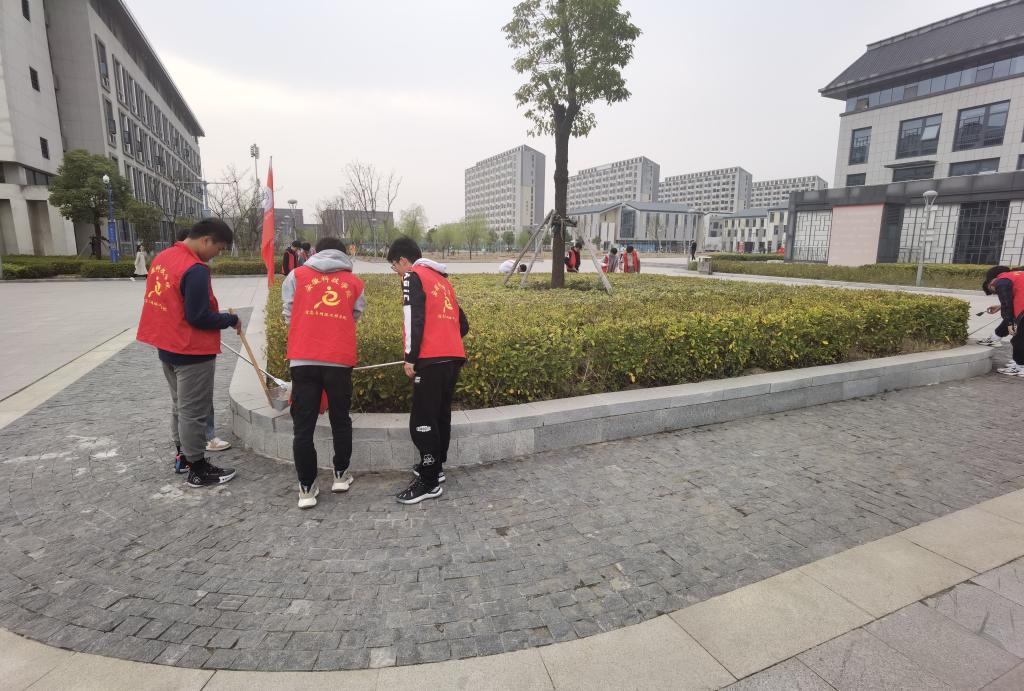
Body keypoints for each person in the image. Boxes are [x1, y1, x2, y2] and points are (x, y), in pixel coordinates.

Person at [136, 218, 239, 487]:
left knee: (179, 405)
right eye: (218, 248)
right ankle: (198, 468)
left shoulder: (163, 257)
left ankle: (182, 457)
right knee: (194, 411)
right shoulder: (195, 269)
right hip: (191, 351)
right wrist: (230, 320)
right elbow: (198, 317)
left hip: (167, 345)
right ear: (206, 240)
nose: (216, 255)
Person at [282, 236, 365, 509]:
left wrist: (307, 328)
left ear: (316, 251)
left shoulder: (296, 275)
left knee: (303, 426)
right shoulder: (354, 282)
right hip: (339, 359)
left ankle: (306, 488)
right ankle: (340, 475)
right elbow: (355, 314)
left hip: (302, 358)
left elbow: (288, 313)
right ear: (344, 254)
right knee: (340, 419)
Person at [387, 236, 469, 504]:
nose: (396, 272)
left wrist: (410, 358)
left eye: (394, 266)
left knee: (422, 421)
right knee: (440, 416)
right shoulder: (443, 281)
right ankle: (436, 468)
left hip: (430, 359)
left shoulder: (412, 276)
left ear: (403, 260)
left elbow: (413, 318)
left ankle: (429, 482)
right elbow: (463, 324)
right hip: (453, 358)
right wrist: (445, 340)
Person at [984, 265, 1024, 376]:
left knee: (1019, 339)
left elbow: (1007, 305)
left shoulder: (1001, 282)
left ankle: (1020, 367)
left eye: (993, 291)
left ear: (991, 283)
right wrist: (1000, 306)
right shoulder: (1016, 276)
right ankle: (1019, 363)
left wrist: (1010, 324)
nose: (996, 293)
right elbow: (1016, 295)